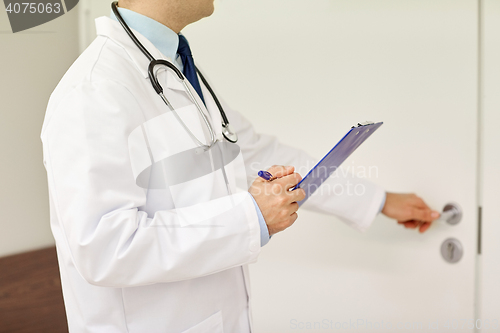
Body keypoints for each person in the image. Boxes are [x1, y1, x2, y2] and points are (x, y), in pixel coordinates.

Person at [40, 0, 440, 332]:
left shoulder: (174, 70)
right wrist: (250, 216)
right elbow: (105, 247)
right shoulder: (93, 92)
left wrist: (377, 199)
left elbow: (257, 154)